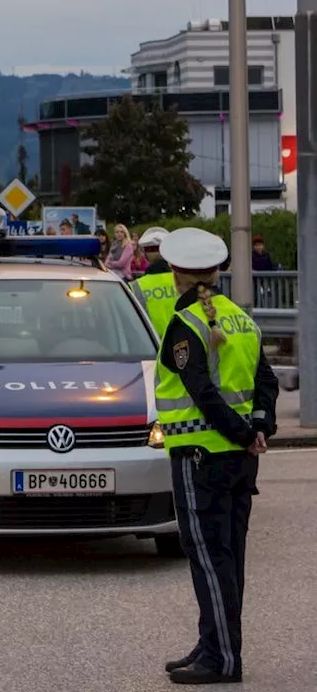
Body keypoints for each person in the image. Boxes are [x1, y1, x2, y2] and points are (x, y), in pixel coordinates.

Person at [155, 227, 279, 685]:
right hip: (240, 460)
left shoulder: (184, 324)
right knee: (229, 557)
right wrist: (260, 427)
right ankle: (214, 643)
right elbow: (266, 383)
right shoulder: (241, 319)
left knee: (208, 557)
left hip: (199, 457)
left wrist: (243, 431)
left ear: (175, 274)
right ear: (217, 272)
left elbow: (202, 393)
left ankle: (222, 658)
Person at [131, 227, 178, 338]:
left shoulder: (134, 287)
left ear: (145, 255)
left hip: (150, 349)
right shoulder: (184, 281)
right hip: (182, 348)